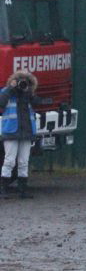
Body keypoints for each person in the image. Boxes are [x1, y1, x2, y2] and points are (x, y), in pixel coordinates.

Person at [0, 71, 48, 199]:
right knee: (9, 160)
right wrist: (11, 88)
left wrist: (29, 91)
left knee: (23, 162)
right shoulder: (7, 92)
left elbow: (39, 102)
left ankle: (23, 190)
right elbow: (1, 102)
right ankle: (3, 189)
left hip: (26, 132)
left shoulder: (28, 94)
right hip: (11, 131)